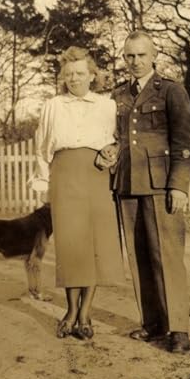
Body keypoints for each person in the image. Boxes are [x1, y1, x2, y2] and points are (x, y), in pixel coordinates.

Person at [99, 31, 190, 353]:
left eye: (141, 55)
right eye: (129, 56)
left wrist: (178, 185)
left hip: (160, 184)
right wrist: (110, 151)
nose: (135, 62)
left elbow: (185, 143)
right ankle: (153, 323)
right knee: (139, 255)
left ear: (153, 56)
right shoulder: (118, 96)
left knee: (167, 257)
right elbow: (114, 136)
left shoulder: (171, 91)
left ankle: (179, 329)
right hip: (127, 183)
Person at [29, 46, 125, 340]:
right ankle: (70, 312)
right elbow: (42, 148)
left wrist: (112, 153)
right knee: (72, 247)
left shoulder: (107, 105)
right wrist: (43, 185)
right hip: (65, 176)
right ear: (63, 77)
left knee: (94, 245)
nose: (74, 79)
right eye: (69, 74)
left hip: (97, 178)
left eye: (80, 73)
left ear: (92, 75)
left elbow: (118, 142)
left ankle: (86, 314)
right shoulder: (53, 106)